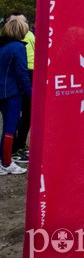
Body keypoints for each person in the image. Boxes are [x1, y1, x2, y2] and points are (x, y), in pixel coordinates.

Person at [0, 18, 32, 175]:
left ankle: (4, 160)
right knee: (10, 127)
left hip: (4, 91)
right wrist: (31, 93)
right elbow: (22, 73)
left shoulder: (4, 46)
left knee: (9, 126)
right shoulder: (18, 47)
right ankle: (6, 163)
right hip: (11, 92)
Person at [7, 12, 33, 163]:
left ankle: (16, 147)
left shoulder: (12, 42)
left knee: (16, 116)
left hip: (24, 75)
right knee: (24, 114)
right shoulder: (20, 43)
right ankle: (17, 147)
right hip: (26, 75)